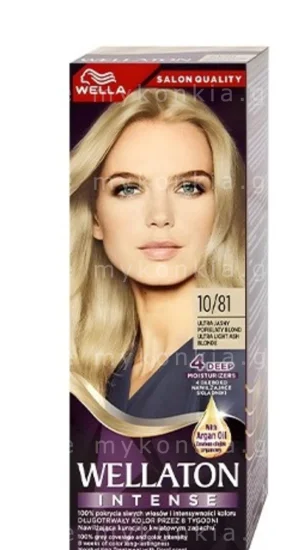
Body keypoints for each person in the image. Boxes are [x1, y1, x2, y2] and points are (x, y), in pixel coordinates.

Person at [70, 88, 245, 420]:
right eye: (129, 188)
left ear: (221, 207)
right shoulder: (103, 367)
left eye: (189, 187)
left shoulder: (234, 362)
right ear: (94, 217)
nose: (160, 216)